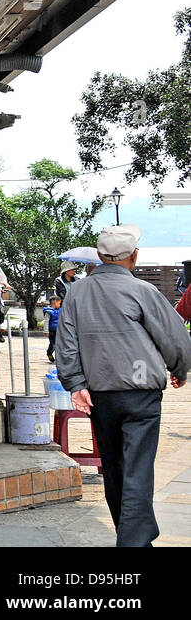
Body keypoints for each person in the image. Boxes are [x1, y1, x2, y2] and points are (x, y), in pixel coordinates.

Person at [57, 223, 191, 547]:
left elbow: (66, 343)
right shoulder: (143, 291)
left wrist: (75, 383)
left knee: (114, 467)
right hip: (142, 394)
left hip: (100, 394)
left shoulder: (77, 292)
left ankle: (129, 534)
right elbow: (174, 337)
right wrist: (180, 368)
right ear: (134, 257)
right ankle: (133, 541)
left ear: (101, 256)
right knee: (137, 469)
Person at [44, 294, 62, 363]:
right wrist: (46, 331)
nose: (55, 305)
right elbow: (46, 322)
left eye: (57, 303)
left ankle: (59, 359)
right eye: (53, 303)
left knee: (60, 345)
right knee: (53, 344)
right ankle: (49, 352)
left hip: (60, 331)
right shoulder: (49, 311)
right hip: (52, 331)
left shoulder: (62, 310)